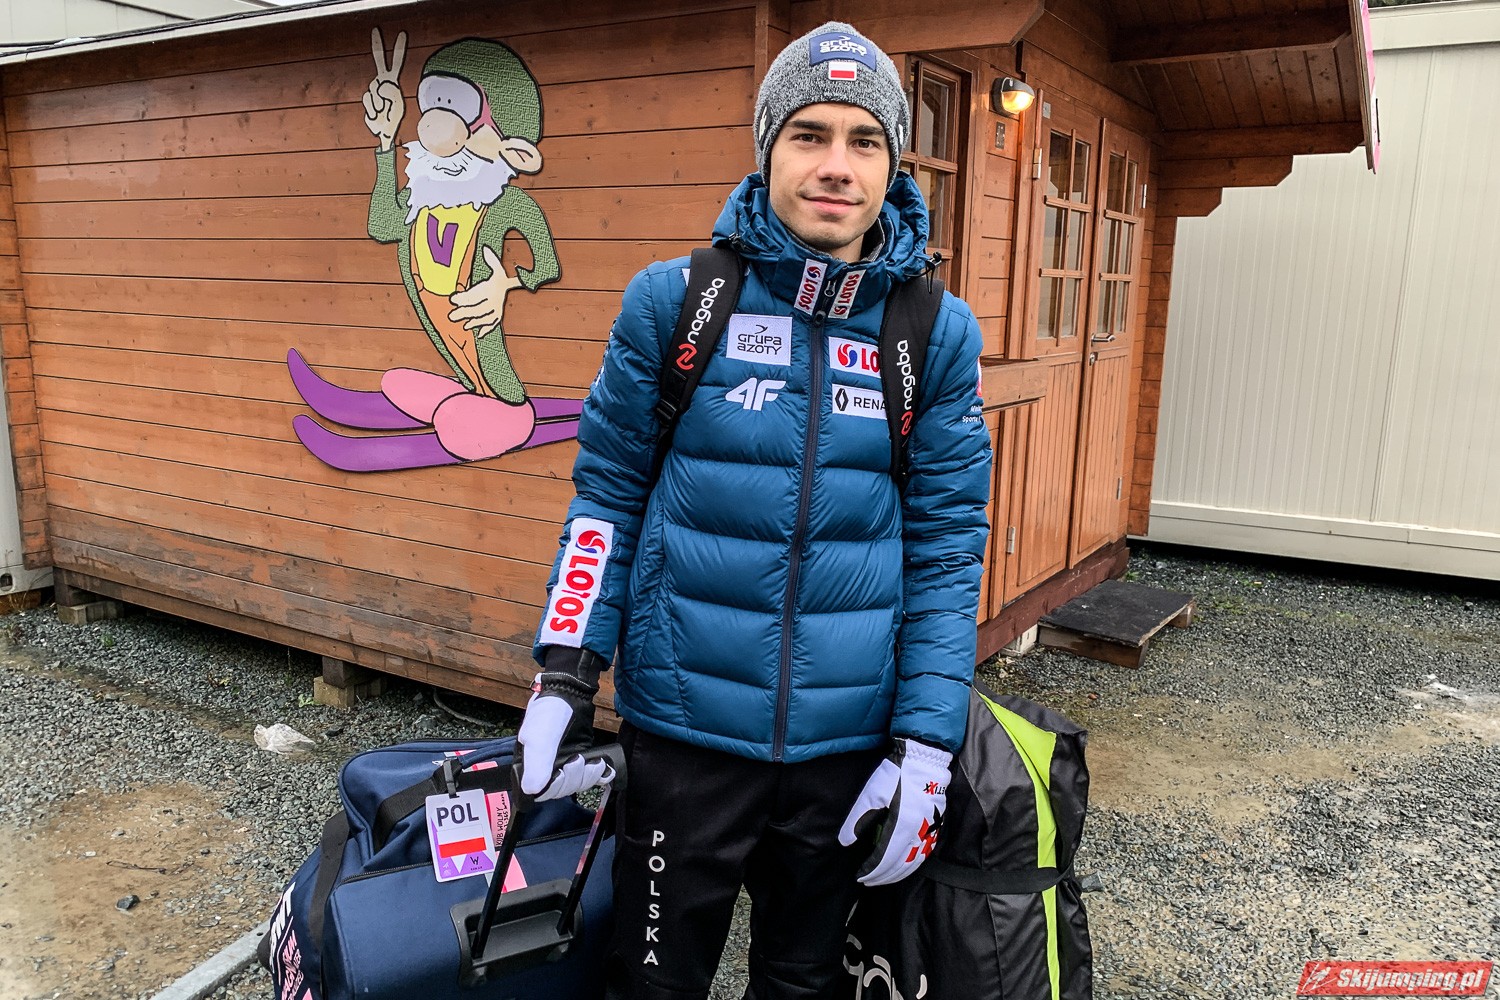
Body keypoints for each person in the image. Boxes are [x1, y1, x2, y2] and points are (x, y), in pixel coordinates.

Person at [517, 21, 992, 1000]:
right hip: (682, 738)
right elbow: (607, 497)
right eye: (809, 134)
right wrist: (565, 671)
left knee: (803, 983)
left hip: (844, 751)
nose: (836, 165)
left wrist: (926, 743)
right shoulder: (676, 304)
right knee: (651, 985)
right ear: (769, 146)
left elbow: (947, 549)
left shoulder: (932, 334)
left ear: (892, 164)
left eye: (865, 141)